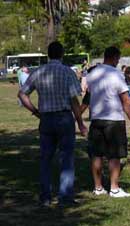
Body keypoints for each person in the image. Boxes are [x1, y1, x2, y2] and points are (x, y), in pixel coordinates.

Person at [18, 41, 87, 207]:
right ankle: (65, 197)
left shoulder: (38, 71)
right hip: (64, 117)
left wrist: (35, 112)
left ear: (48, 54)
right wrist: (81, 123)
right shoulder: (67, 72)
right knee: (67, 158)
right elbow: (74, 101)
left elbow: (22, 94)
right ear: (62, 54)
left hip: (46, 118)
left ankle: (45, 197)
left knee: (46, 159)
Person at [86, 46, 130, 198]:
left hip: (96, 118)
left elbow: (87, 96)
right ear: (114, 57)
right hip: (114, 119)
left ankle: (98, 187)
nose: (118, 61)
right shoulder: (117, 74)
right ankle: (114, 188)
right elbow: (125, 99)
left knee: (96, 154)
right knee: (114, 155)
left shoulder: (92, 73)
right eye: (118, 59)